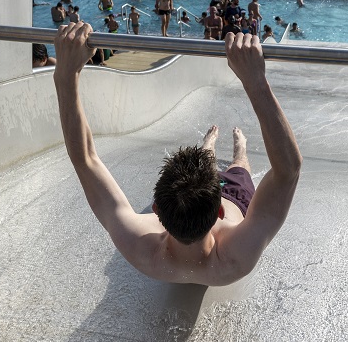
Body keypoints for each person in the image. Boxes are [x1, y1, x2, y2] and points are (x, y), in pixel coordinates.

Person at [53, 24, 302, 285]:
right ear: (219, 212)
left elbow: (86, 159)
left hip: (203, 198)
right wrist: (255, 80)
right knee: (240, 167)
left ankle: (210, 144)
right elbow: (288, 170)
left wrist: (65, 73)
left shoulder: (142, 251)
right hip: (236, 201)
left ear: (156, 210)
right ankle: (239, 145)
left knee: (206, 158)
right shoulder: (235, 255)